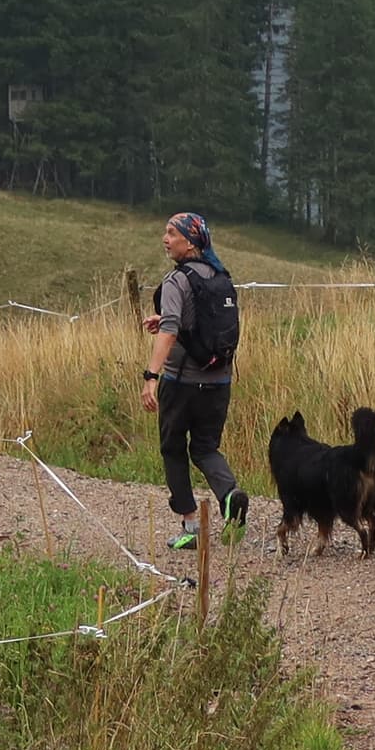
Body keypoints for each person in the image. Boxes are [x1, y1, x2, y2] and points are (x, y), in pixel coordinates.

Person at [139, 210, 247, 550]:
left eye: (172, 233)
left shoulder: (177, 281)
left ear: (190, 241)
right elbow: (198, 324)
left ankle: (190, 527)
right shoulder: (220, 277)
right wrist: (171, 321)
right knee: (205, 447)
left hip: (181, 382)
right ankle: (230, 496)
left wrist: (151, 377)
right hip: (219, 384)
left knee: (173, 448)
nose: (165, 239)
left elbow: (170, 332)